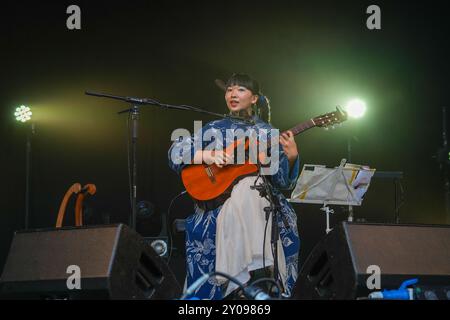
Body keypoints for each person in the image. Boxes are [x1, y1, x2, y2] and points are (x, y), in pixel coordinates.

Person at [168, 73, 300, 299]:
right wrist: (208, 155)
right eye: (229, 90)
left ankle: (260, 281)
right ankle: (237, 284)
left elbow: (282, 182)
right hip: (218, 201)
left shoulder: (269, 132)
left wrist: (291, 157)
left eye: (240, 89)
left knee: (257, 194)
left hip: (262, 201)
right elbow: (174, 154)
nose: (232, 94)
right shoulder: (214, 128)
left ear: (254, 98)